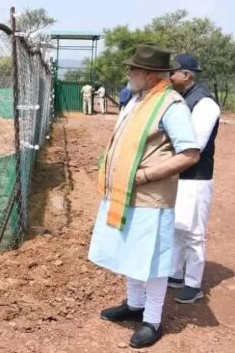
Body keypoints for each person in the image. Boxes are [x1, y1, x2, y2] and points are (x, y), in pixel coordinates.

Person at [88, 45, 200, 348]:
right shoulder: (139, 100)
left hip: (151, 198)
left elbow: (190, 153)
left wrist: (146, 176)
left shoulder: (170, 105)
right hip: (125, 195)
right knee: (130, 253)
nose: (129, 73)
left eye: (133, 69)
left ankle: (152, 319)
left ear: (149, 75)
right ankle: (135, 305)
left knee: (152, 260)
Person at [168, 54, 220, 303]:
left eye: (173, 73)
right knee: (178, 227)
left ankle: (193, 283)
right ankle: (176, 275)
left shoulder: (205, 103)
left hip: (196, 177)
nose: (169, 77)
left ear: (186, 75)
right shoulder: (184, 99)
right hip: (180, 174)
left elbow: (194, 145)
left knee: (194, 232)